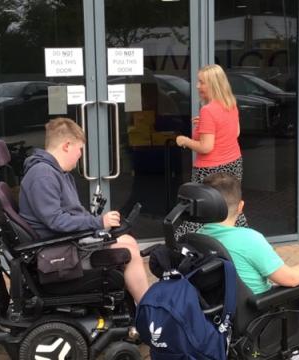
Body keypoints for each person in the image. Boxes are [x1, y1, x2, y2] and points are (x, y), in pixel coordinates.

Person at [199, 172, 299, 358]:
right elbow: (291, 279)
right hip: (256, 321)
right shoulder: (249, 239)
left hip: (216, 317)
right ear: (241, 207)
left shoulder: (197, 239)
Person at [18, 117, 149, 304]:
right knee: (130, 253)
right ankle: (149, 314)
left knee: (128, 240)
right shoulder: (43, 175)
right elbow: (56, 221)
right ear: (66, 146)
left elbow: (69, 215)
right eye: (80, 149)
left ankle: (140, 309)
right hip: (57, 252)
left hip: (64, 243)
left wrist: (99, 228)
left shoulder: (57, 173)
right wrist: (98, 223)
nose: (80, 155)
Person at [175, 64, 246, 237]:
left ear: (213, 84)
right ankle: (241, 239)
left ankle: (186, 244)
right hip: (234, 164)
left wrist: (184, 140)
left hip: (210, 169)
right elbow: (235, 132)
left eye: (202, 82)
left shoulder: (208, 110)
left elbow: (206, 147)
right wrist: (207, 126)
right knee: (230, 208)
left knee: (200, 210)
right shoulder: (231, 104)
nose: (198, 86)